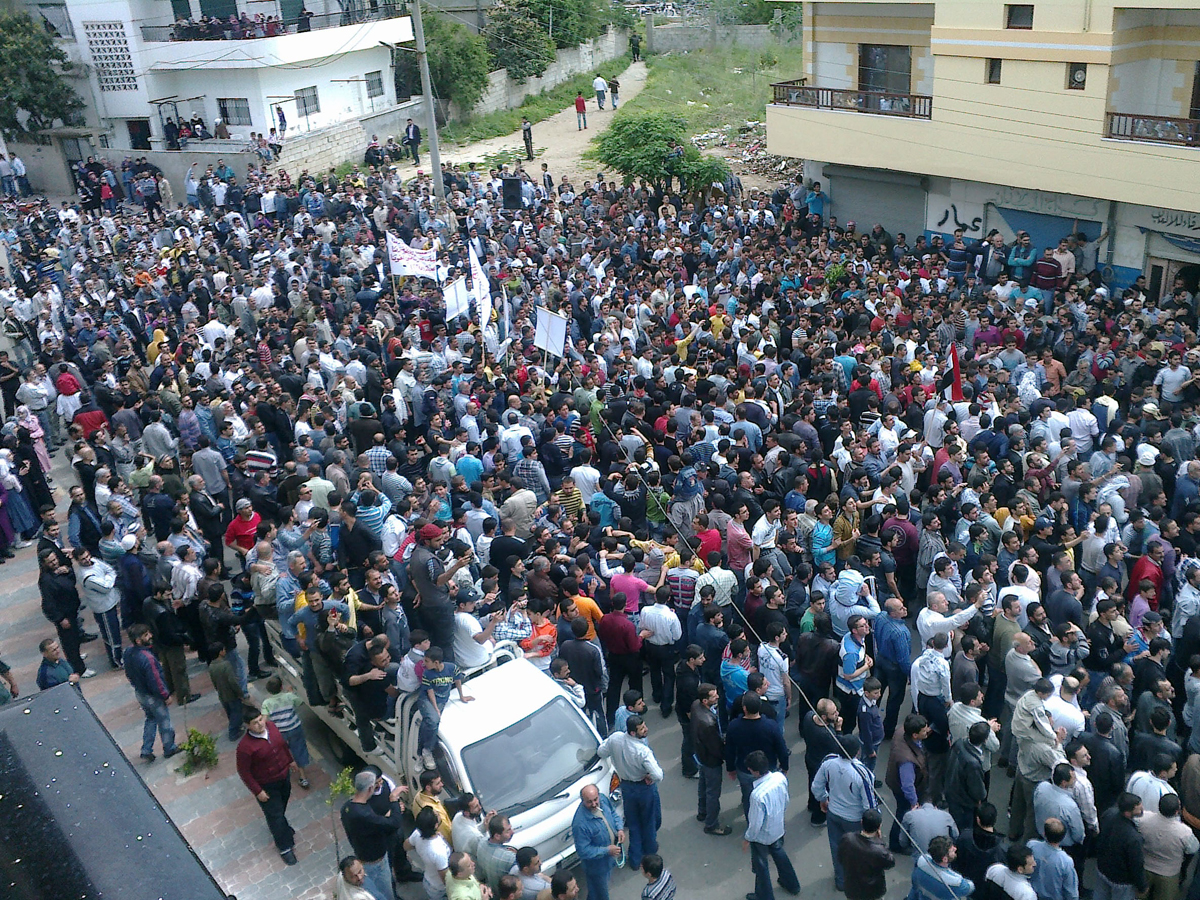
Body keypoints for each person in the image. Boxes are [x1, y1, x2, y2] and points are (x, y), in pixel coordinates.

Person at [812, 733, 878, 892]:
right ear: (857, 751)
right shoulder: (862, 773)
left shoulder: (829, 761)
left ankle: (841, 880)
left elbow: (817, 785)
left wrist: (823, 799)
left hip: (833, 813)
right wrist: (874, 824)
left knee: (837, 847)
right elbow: (869, 805)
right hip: (854, 820)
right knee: (858, 851)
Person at [236, 707, 301, 865]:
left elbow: (282, 746)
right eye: (255, 723)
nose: (260, 724)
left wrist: (290, 760)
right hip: (267, 785)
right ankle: (285, 847)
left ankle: (283, 828)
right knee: (275, 816)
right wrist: (258, 791)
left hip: (283, 777)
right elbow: (244, 771)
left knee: (281, 808)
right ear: (248, 726)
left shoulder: (271, 727)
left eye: (261, 719)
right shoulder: (245, 747)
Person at [598, 714, 663, 870]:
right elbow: (658, 775)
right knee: (648, 821)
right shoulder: (642, 751)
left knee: (633, 824)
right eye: (642, 728)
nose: (646, 729)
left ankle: (635, 859)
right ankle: (650, 854)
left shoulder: (615, 739)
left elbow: (601, 751)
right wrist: (650, 777)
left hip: (626, 787)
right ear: (633, 732)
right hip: (643, 788)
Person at [342, 768, 409, 900]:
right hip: (376, 862)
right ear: (370, 788)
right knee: (386, 894)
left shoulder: (347, 808)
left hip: (363, 855)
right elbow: (394, 823)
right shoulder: (365, 815)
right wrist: (393, 800)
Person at [743, 749, 801, 900]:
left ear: (755, 772)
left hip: (762, 835)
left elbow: (755, 824)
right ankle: (791, 884)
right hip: (777, 826)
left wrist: (748, 838)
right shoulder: (780, 777)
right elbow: (786, 801)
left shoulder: (757, 795)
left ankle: (764, 896)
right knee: (779, 853)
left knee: (761, 866)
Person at [571, 784, 623, 900]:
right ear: (582, 801)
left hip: (609, 859)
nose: (594, 804)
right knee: (601, 893)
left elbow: (613, 813)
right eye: (589, 802)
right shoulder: (580, 824)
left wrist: (619, 828)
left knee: (595, 891)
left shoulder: (603, 799)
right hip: (597, 866)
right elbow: (583, 851)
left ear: (598, 795)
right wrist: (607, 850)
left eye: (595, 799)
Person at [838, 808, 894, 900]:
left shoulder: (847, 838)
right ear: (879, 827)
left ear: (861, 822)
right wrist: (880, 841)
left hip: (852, 887)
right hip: (872, 891)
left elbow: (840, 858)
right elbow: (890, 863)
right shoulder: (880, 850)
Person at [1027, 817, 1079, 900]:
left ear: (1044, 833)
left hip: (1031, 895)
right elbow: (1070, 891)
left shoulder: (1031, 845)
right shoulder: (1066, 861)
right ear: (1063, 837)